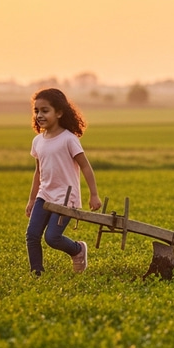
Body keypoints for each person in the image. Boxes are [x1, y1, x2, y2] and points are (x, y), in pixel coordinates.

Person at [25, 88, 102, 275]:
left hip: (66, 197)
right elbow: (38, 172)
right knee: (32, 236)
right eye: (36, 111)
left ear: (59, 112)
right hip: (45, 195)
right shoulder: (37, 141)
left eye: (45, 110)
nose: (39, 115)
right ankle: (37, 273)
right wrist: (32, 199)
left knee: (52, 237)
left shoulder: (69, 139)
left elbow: (85, 166)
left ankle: (77, 249)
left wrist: (93, 195)